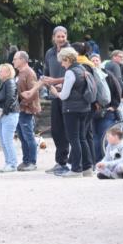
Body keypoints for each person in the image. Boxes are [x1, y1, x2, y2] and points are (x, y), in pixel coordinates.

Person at [46, 47, 93, 177]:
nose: (61, 64)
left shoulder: (70, 72)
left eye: (62, 61)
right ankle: (87, 167)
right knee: (82, 138)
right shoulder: (82, 69)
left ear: (67, 59)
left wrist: (56, 92)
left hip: (71, 109)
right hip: (84, 108)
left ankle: (76, 169)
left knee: (74, 139)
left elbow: (64, 96)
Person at [42, 26, 71, 174]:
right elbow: (46, 73)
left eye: (63, 36)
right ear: (53, 37)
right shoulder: (49, 53)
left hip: (69, 96)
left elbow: (74, 72)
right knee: (56, 130)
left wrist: (56, 81)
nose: (61, 39)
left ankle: (70, 162)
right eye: (58, 36)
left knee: (69, 129)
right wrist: (48, 84)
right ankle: (60, 162)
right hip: (54, 96)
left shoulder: (71, 52)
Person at [12, 51, 40, 171]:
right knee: (22, 137)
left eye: (15, 59)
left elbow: (34, 92)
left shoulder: (29, 73)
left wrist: (23, 103)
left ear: (23, 60)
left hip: (26, 110)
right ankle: (26, 160)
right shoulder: (20, 73)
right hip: (20, 109)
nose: (13, 61)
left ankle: (32, 162)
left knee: (28, 136)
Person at [0, 63, 20, 173]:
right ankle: (8, 162)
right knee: (2, 140)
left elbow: (10, 98)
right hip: (3, 114)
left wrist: (4, 111)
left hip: (9, 114)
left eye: (1, 71)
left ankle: (13, 164)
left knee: (7, 140)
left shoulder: (10, 82)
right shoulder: (5, 83)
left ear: (8, 72)